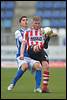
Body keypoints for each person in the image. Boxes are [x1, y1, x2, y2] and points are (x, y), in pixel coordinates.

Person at [7, 16, 42, 93]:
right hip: (21, 55)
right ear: (20, 23)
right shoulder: (18, 32)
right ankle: (12, 83)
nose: (25, 21)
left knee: (38, 66)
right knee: (25, 66)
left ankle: (37, 87)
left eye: (26, 20)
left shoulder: (30, 31)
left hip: (31, 56)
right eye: (23, 20)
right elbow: (24, 41)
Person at [24, 16, 57, 93]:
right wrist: (22, 54)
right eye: (35, 23)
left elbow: (47, 45)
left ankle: (45, 88)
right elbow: (24, 43)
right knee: (36, 47)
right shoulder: (28, 32)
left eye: (38, 23)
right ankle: (41, 44)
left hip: (40, 50)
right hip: (31, 50)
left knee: (46, 65)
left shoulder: (42, 31)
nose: (37, 25)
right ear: (32, 23)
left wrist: (51, 35)